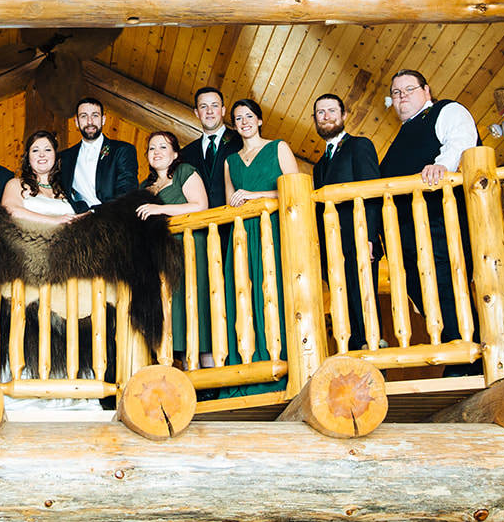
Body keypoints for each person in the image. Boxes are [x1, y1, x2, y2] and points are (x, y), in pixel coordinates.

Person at [379, 69, 480, 356]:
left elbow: (461, 142)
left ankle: (468, 355)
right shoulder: (399, 140)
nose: (402, 97)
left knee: (449, 287)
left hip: (439, 223)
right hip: (407, 238)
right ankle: (456, 350)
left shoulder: (445, 111)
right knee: (423, 294)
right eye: (396, 93)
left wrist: (443, 166)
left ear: (427, 90)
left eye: (409, 89)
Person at [223, 99, 300, 393]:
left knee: (273, 293)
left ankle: (281, 367)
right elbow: (230, 204)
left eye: (249, 116)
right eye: (238, 118)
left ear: (259, 121)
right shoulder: (230, 162)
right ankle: (245, 370)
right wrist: (239, 202)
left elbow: (294, 192)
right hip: (242, 236)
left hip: (273, 232)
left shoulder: (278, 147)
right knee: (241, 297)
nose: (244, 121)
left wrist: (254, 195)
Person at [311, 92, 382, 351]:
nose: (326, 116)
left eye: (331, 111)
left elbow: (371, 191)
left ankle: (374, 356)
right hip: (333, 246)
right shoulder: (319, 165)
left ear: (343, 115)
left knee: (364, 300)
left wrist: (371, 237)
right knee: (343, 304)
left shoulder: (359, 145)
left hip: (359, 237)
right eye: (320, 113)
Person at [137, 130, 210, 364]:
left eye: (163, 147)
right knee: (170, 309)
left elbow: (200, 205)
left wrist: (160, 210)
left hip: (189, 248)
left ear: (175, 153)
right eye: (152, 148)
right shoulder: (145, 187)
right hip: (160, 255)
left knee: (193, 303)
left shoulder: (183, 172)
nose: (156, 152)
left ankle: (204, 373)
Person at [56, 97, 138, 210]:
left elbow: (127, 193)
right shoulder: (64, 157)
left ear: (103, 120)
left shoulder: (122, 150)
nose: (90, 121)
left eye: (95, 115)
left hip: (113, 217)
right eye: (84, 116)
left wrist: (96, 213)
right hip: (77, 218)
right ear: (76, 122)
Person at [178, 86, 240, 208]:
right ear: (197, 113)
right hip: (201, 224)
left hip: (237, 221)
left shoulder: (241, 141)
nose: (209, 111)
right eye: (203, 106)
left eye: (215, 105)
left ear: (223, 110)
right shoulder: (185, 153)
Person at [1, 130, 78, 227]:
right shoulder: (16, 184)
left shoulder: (67, 187)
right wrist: (55, 220)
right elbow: (11, 211)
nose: (42, 154)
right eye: (35, 150)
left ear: (55, 156)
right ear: (28, 158)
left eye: (48, 150)